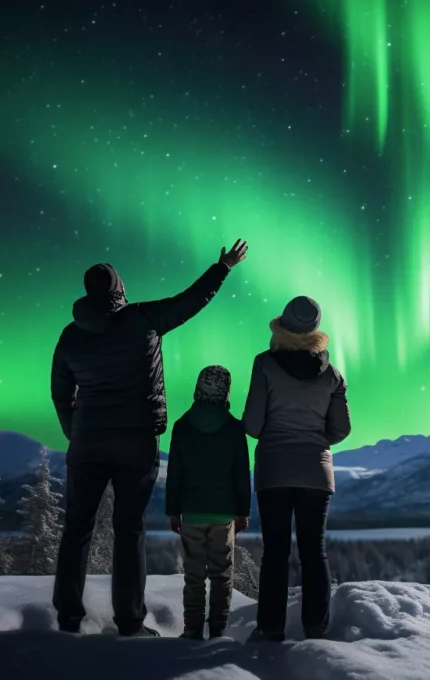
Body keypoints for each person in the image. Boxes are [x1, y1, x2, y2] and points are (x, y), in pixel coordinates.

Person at [50, 239, 248, 638]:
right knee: (129, 529)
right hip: (135, 441)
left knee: (77, 529)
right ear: (119, 289)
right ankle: (129, 621)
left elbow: (60, 391)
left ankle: (69, 616)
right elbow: (190, 301)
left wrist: (76, 430)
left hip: (87, 442)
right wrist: (222, 267)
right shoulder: (143, 319)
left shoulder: (70, 335)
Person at [242, 296, 351, 642]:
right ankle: (316, 627)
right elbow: (341, 429)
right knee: (313, 552)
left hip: (274, 471)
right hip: (316, 474)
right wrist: (317, 439)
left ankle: (270, 628)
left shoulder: (264, 364)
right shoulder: (332, 375)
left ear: (283, 325)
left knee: (275, 552)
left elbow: (253, 424)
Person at [165, 365, 252, 641]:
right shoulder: (235, 428)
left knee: (193, 576)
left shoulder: (182, 427)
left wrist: (173, 510)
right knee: (221, 576)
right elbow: (241, 473)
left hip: (191, 512)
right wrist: (242, 511)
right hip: (223, 514)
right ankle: (218, 630)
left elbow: (175, 473)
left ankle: (192, 629)